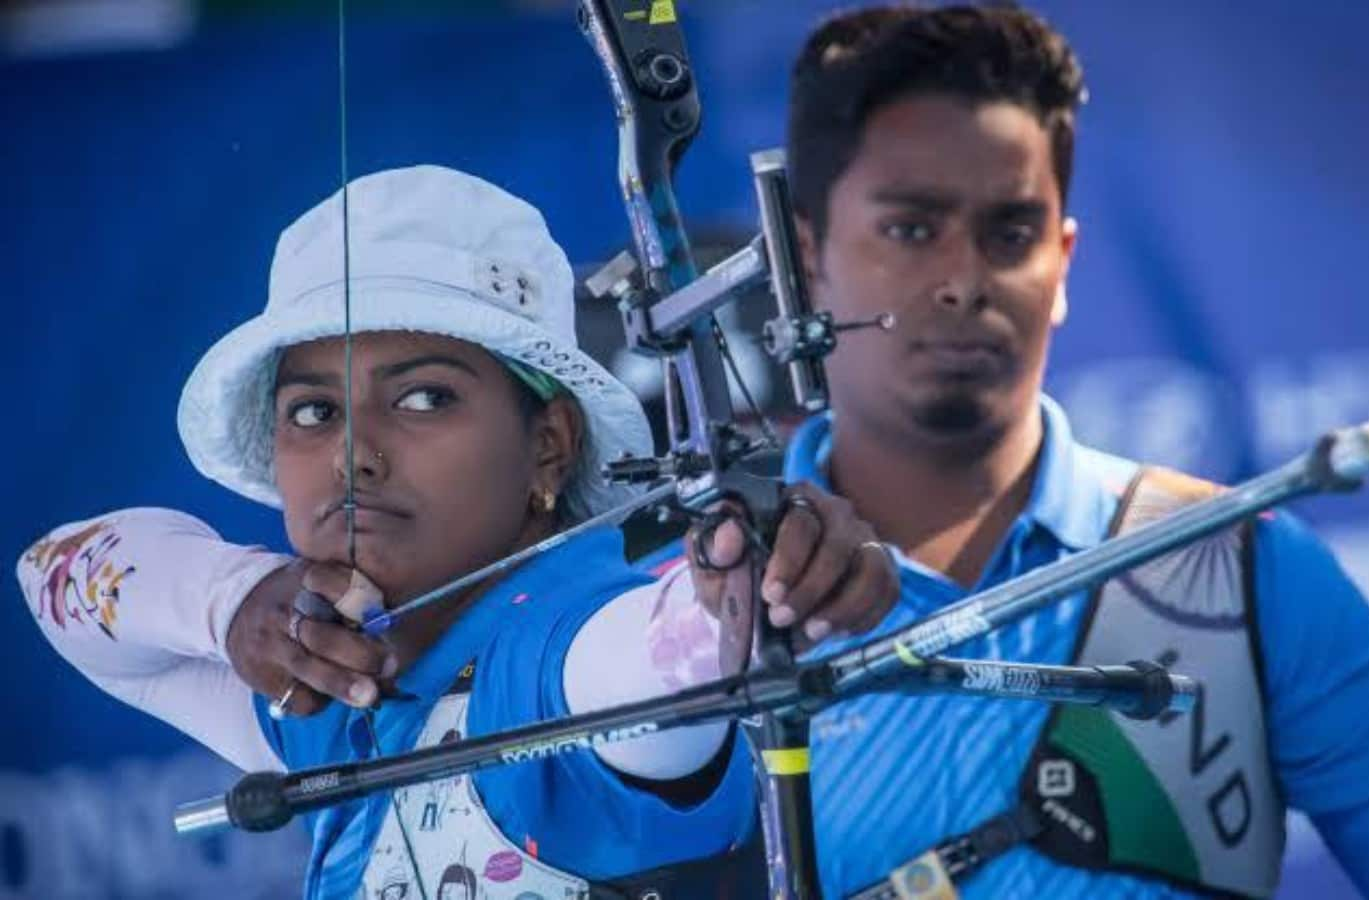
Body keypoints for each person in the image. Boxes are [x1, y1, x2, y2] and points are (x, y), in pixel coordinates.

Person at [23, 5, 1369, 899]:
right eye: (906, 227)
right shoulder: (485, 636)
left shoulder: (1241, 570)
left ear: (1069, 259)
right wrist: (238, 597)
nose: (959, 279)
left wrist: (723, 606)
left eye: (1010, 231)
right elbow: (73, 574)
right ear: (802, 259)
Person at [17, 163, 897, 899]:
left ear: (549, 445)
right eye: (314, 411)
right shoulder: (332, 686)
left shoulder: (560, 639)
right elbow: (49, 579)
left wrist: (750, 586)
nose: (354, 457)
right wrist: (233, 601)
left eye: (425, 398)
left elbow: (664, 651)